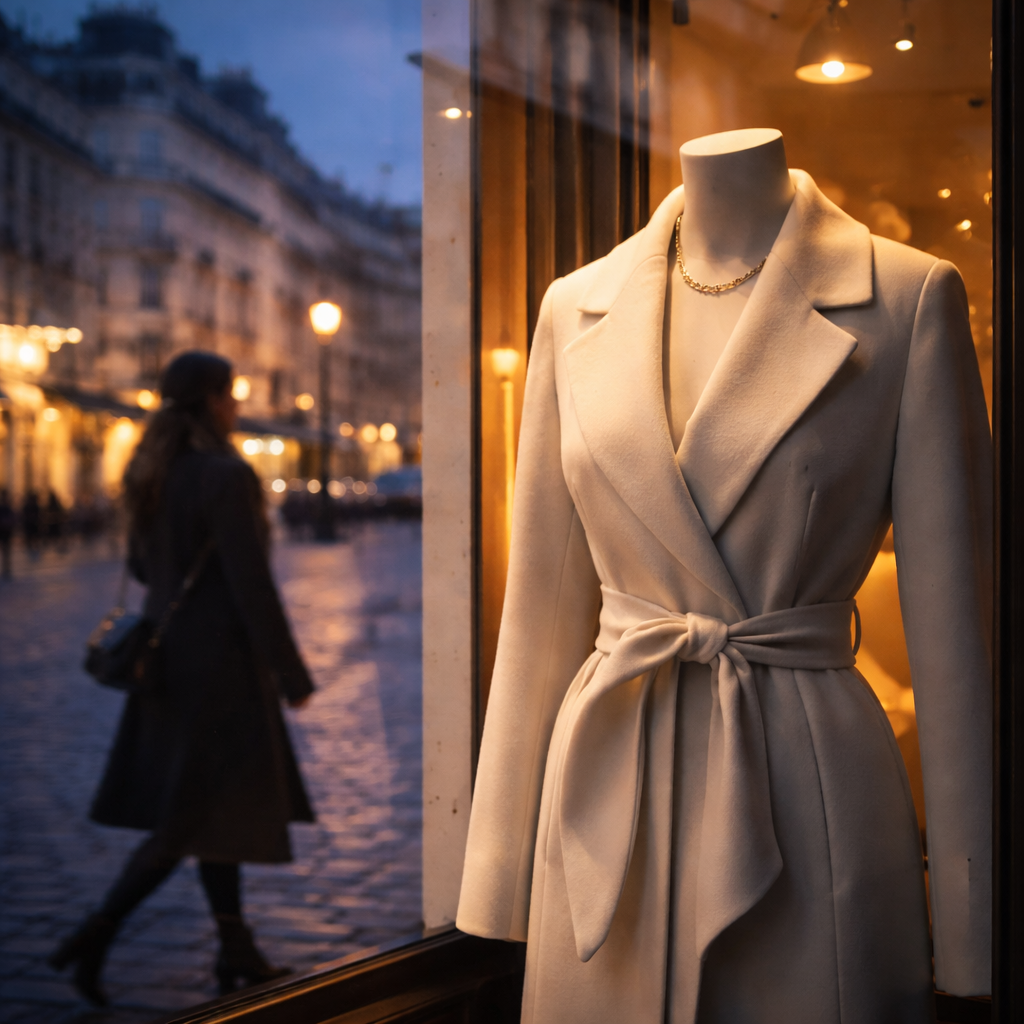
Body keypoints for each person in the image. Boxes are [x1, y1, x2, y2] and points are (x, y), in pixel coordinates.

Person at [49, 351, 316, 1007]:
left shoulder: (151, 472)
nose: (237, 406)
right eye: (230, 395)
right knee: (189, 815)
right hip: (221, 669)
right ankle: (96, 931)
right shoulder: (226, 475)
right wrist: (290, 672)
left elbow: (142, 571)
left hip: (167, 665)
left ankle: (235, 946)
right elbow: (249, 582)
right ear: (211, 402)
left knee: (208, 805)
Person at [0, 488, 14, 578]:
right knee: (5, 551)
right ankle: (6, 569)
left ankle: (7, 569)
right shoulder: (3, 508)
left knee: (7, 552)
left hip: (7, 533)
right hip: (3, 532)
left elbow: (12, 519)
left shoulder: (8, 508)